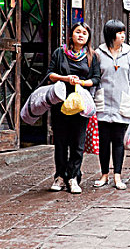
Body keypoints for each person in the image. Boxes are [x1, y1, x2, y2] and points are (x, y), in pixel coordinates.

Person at [47, 22, 100, 194]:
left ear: (88, 37)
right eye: (78, 32)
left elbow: (96, 79)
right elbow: (50, 75)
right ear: (71, 35)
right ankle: (60, 176)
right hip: (60, 102)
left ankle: (73, 177)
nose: (81, 35)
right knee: (61, 142)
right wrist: (65, 78)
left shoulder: (92, 56)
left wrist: (82, 82)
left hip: (81, 103)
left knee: (78, 143)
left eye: (84, 33)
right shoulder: (60, 53)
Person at [93, 20, 130, 190]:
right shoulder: (99, 53)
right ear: (111, 34)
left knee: (119, 141)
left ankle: (118, 176)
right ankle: (104, 174)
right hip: (103, 102)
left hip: (123, 101)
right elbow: (95, 78)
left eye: (123, 32)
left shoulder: (128, 53)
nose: (123, 35)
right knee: (104, 141)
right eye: (119, 32)